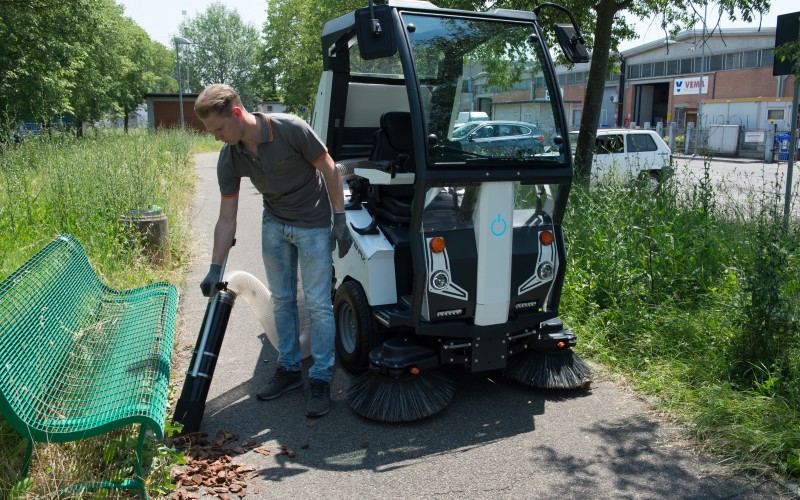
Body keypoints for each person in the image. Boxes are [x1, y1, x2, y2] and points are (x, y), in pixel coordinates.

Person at [194, 84, 352, 418]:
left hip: (312, 223)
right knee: (281, 300)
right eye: (211, 132)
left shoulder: (290, 129)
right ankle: (290, 369)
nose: (216, 137)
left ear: (236, 114)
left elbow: (329, 168)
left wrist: (339, 218)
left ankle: (322, 377)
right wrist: (215, 267)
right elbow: (226, 219)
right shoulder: (231, 155)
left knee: (318, 304)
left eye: (218, 129)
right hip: (275, 225)